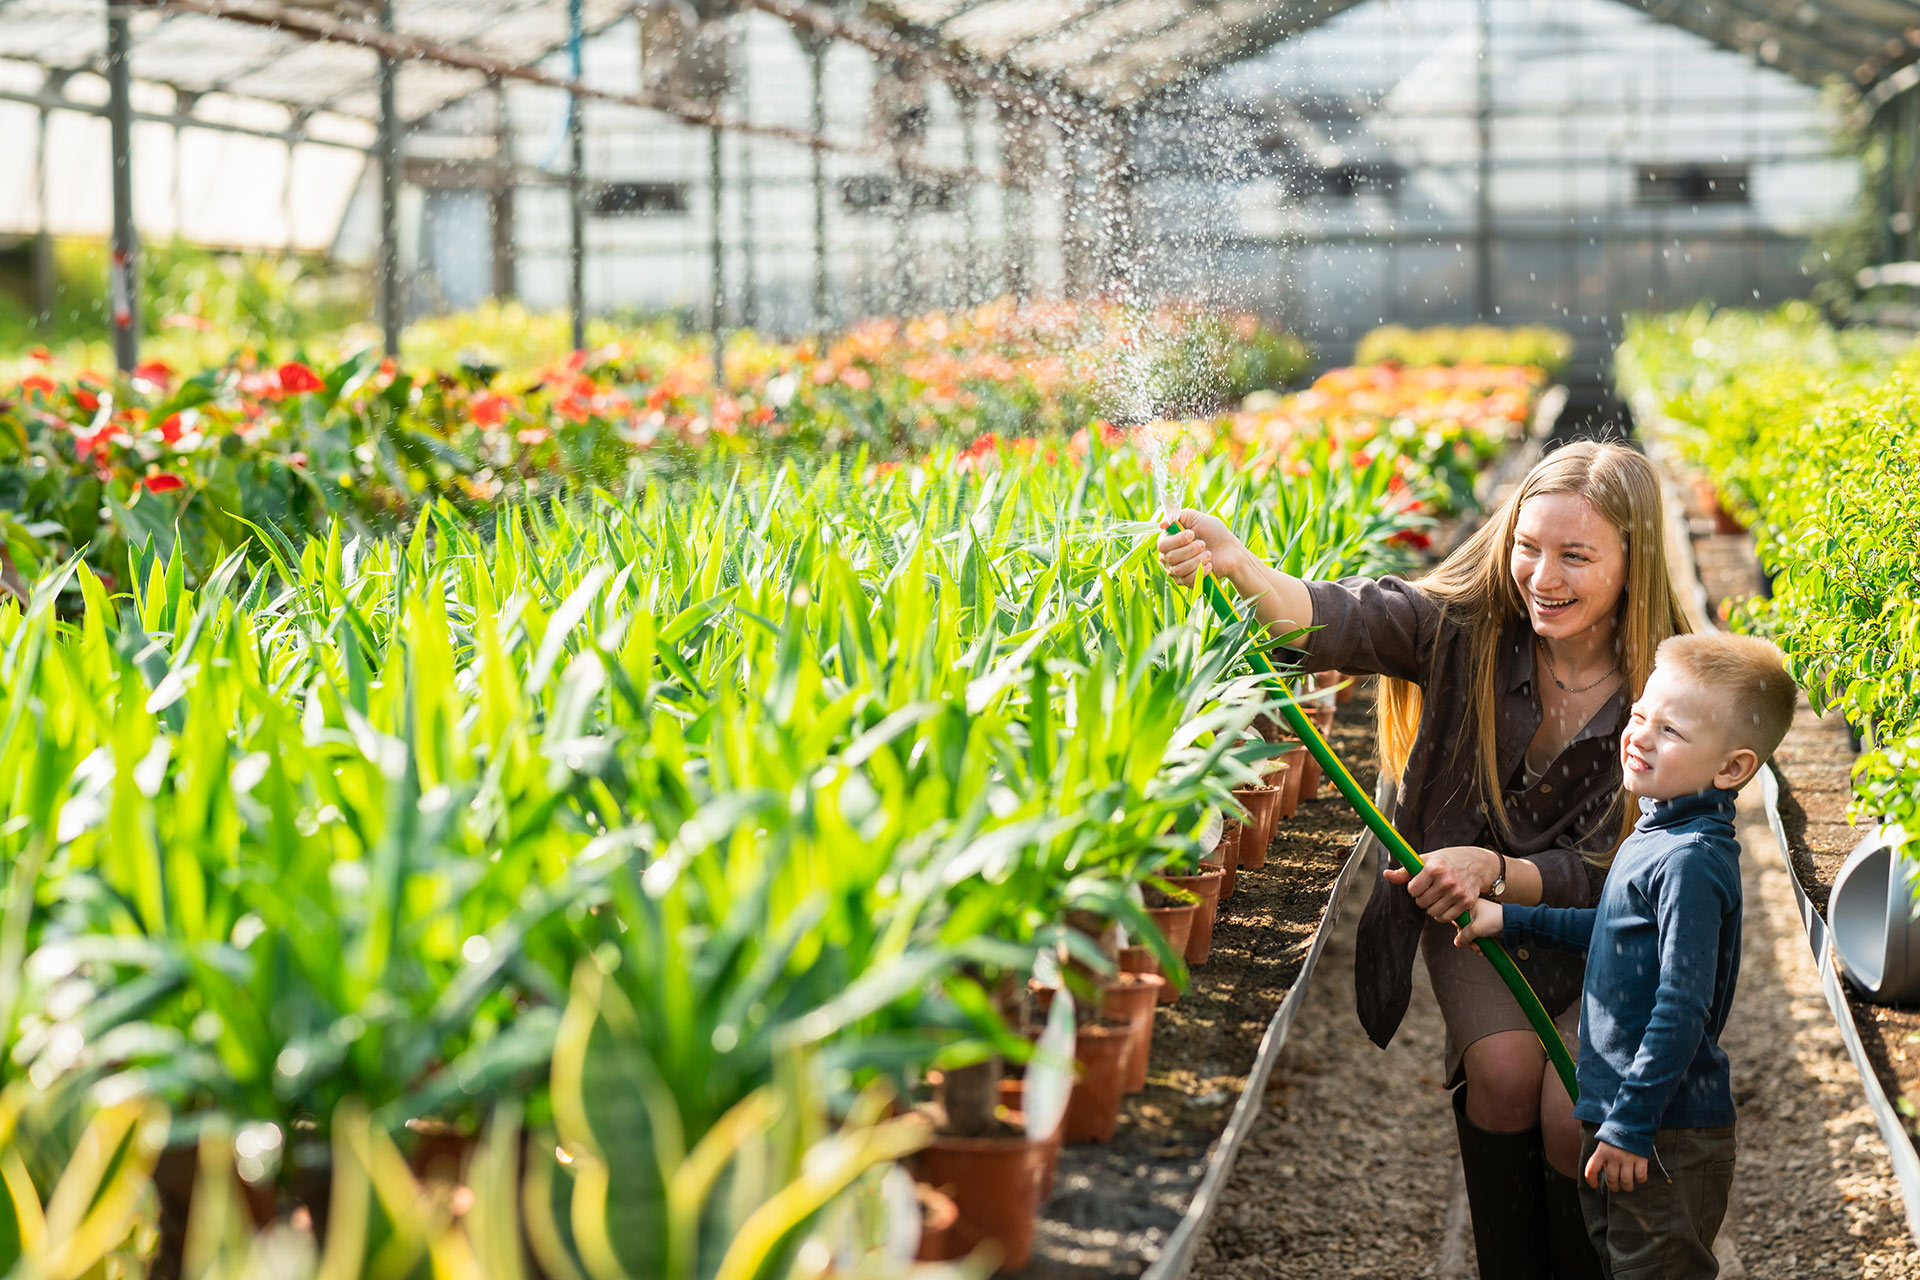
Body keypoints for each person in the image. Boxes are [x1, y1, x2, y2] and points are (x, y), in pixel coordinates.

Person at [1157, 441, 1691, 1279]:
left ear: (1635, 561)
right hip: (1474, 921)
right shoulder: (1465, 629)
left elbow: (1643, 866)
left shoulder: (1672, 689)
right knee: (1505, 1073)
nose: (1542, 576)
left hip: (1613, 930)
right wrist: (1241, 567)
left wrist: (1497, 869)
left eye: (1576, 556)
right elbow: (1345, 616)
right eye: (1527, 546)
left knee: (1575, 1112)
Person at [1456, 633, 1796, 1279]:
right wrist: (1511, 919)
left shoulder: (1690, 861)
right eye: (1640, 714)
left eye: (1670, 730)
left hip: (1662, 1130)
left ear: (1731, 769)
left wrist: (1631, 1125)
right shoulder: (1658, 828)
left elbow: (1682, 1007)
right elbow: (1614, 932)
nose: (1640, 735)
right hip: (1625, 1117)